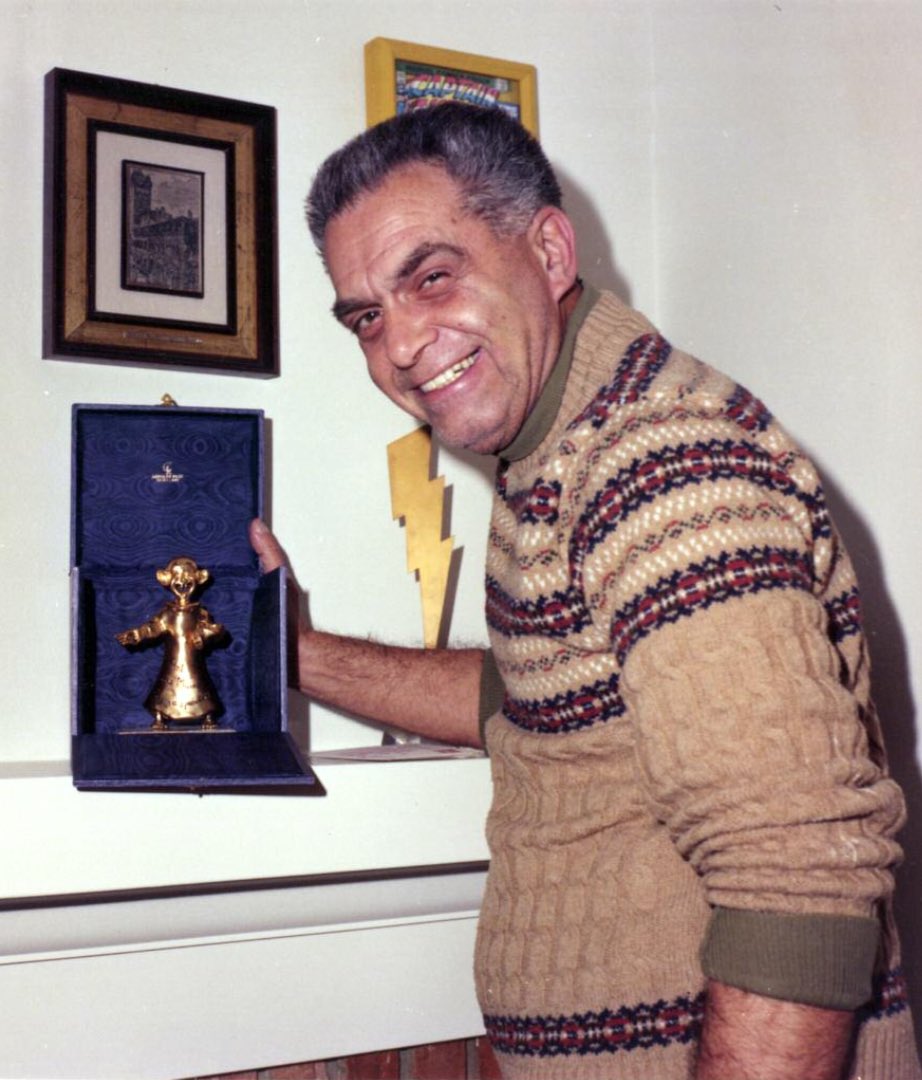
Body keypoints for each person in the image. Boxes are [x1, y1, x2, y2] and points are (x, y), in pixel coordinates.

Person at [250, 102, 921, 1079]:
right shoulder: (560, 453)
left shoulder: (656, 461)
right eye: (366, 317)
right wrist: (292, 651)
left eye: (430, 278)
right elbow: (532, 704)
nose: (398, 344)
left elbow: (797, 883)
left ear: (551, 252)